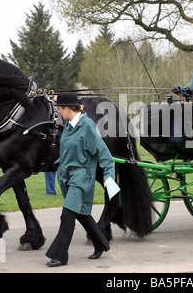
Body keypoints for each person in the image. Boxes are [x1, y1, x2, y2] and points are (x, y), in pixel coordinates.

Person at [45, 92, 114, 267]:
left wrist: (109, 178)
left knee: (67, 215)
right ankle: (101, 244)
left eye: (59, 109)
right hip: (67, 177)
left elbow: (105, 155)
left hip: (82, 178)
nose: (58, 112)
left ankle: (60, 255)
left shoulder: (88, 126)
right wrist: (60, 163)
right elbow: (68, 150)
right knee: (82, 214)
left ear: (67, 109)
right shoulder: (68, 125)